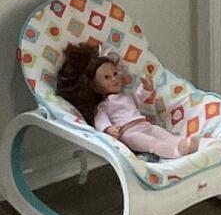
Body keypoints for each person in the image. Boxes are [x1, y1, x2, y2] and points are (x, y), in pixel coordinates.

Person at [53, 42, 197, 160]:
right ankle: (176, 151)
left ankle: (182, 142)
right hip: (129, 133)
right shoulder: (104, 106)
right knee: (151, 143)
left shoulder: (126, 96)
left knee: (160, 133)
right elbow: (100, 120)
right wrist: (108, 129)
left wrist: (146, 87)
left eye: (115, 74)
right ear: (95, 86)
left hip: (144, 125)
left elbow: (138, 98)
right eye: (107, 78)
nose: (114, 78)